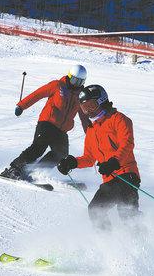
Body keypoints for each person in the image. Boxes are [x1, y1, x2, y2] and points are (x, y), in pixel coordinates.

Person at [57, 85, 141, 230]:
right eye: (84, 108)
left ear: (102, 101)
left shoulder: (119, 119)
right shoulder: (91, 130)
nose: (88, 111)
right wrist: (73, 162)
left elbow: (127, 144)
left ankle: (142, 242)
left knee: (123, 214)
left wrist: (114, 162)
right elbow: (89, 159)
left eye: (91, 105)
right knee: (96, 210)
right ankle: (107, 245)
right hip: (109, 180)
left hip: (127, 176)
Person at [0, 65, 90, 180]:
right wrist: (21, 106)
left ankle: (37, 172)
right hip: (47, 123)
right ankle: (14, 169)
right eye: (75, 80)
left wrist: (91, 134)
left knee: (62, 154)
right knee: (38, 148)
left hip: (62, 131)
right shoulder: (57, 86)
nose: (77, 84)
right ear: (69, 76)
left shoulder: (80, 96)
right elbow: (38, 94)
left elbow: (84, 117)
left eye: (80, 82)